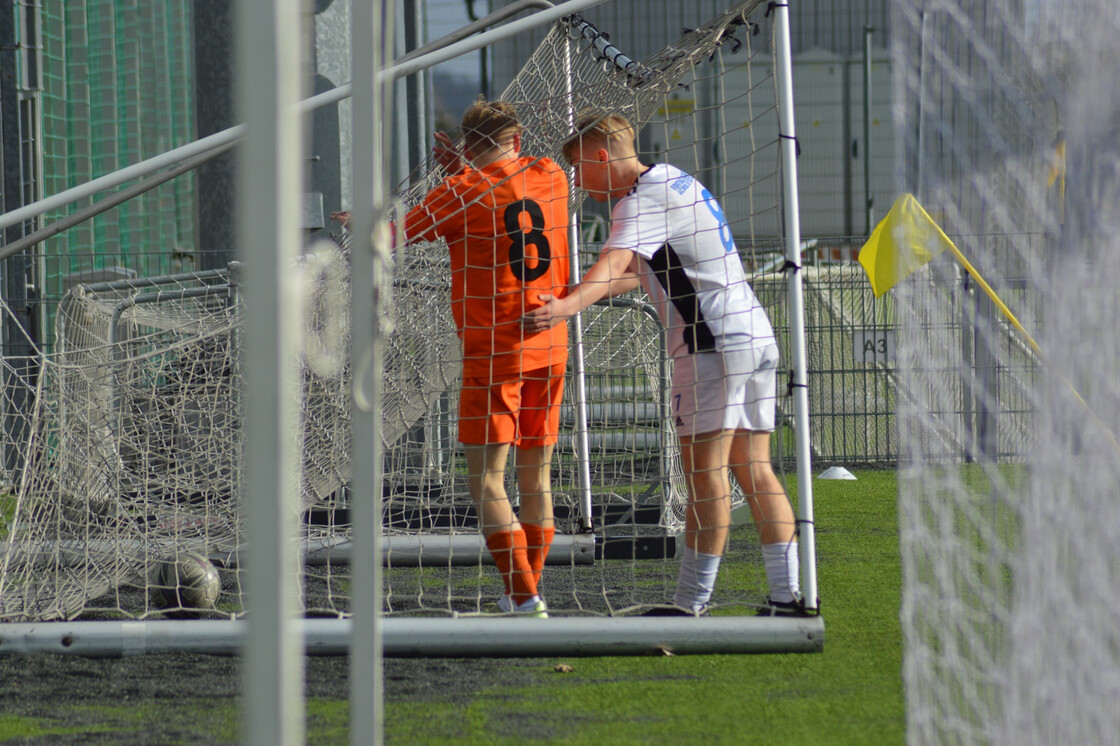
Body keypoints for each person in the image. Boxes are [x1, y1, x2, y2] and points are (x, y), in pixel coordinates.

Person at [522, 111, 805, 616]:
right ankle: (788, 597)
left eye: (579, 168)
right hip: (752, 335)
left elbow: (613, 263)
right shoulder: (676, 178)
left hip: (710, 345)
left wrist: (564, 308)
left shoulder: (638, 200)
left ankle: (690, 604)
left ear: (602, 155)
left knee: (705, 475)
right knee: (753, 469)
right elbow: (638, 274)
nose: (578, 181)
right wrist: (575, 295)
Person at [388, 97, 569, 617]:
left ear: (467, 145)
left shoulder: (461, 191)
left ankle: (523, 593)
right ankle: (525, 593)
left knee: (488, 479)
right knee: (537, 476)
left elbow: (398, 234)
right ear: (517, 138)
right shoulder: (550, 174)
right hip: (549, 347)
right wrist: (465, 168)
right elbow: (506, 186)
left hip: (495, 351)